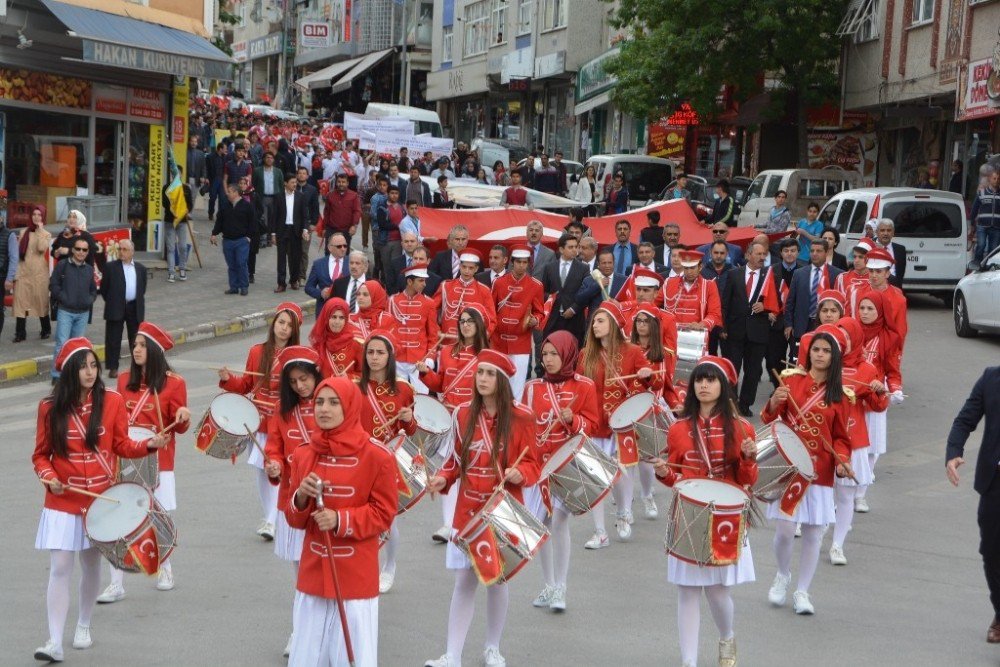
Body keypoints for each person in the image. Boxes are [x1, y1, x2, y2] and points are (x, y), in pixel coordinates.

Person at [31, 338, 166, 662]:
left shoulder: (113, 402)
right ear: (69, 372)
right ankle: (53, 641)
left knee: (91, 565)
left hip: (100, 501)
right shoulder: (49, 408)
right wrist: (49, 478)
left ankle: (84, 625)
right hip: (63, 502)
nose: (90, 372)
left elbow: (121, 444)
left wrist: (149, 444)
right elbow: (40, 456)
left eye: (93, 365)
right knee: (60, 567)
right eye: (83, 367)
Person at [424, 350, 540, 667]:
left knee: (496, 580)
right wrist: (442, 479)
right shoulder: (463, 413)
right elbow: (455, 462)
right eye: (480, 373)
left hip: (502, 511)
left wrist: (522, 473)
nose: (483, 379)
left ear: (502, 380)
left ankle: (492, 647)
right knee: (464, 582)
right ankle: (453, 654)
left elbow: (534, 463)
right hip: (468, 511)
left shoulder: (522, 416)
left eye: (489, 374)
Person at [652, 356, 757, 667]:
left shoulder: (742, 427)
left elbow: (748, 481)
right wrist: (662, 473)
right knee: (686, 591)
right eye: (699, 379)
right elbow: (676, 477)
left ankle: (726, 636)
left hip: (726, 517)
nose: (703, 385)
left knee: (716, 592)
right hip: (688, 514)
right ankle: (689, 661)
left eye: (711, 380)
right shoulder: (679, 428)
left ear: (723, 386)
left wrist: (750, 459)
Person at [286, 376, 397, 667]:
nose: (324, 409)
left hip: (354, 576)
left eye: (334, 402)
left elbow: (384, 514)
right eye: (320, 402)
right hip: (313, 573)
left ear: (349, 406)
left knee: (352, 657)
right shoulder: (302, 454)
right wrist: (301, 497)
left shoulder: (378, 456)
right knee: (307, 656)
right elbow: (294, 519)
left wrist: (340, 519)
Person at [97, 322, 191, 602]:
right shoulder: (125, 380)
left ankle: (165, 568)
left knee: (157, 515)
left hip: (159, 458)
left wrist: (183, 415)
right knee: (119, 516)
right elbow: (114, 420)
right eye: (134, 345)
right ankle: (116, 581)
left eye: (141, 345)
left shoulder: (175, 383)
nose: (135, 350)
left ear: (154, 350)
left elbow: (179, 426)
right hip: (126, 455)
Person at [762, 331, 852, 616]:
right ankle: (782, 574)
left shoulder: (841, 395)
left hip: (820, 471)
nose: (820, 354)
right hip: (790, 466)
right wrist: (775, 401)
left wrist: (842, 461)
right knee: (786, 530)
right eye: (816, 349)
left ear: (834, 356)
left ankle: (803, 591)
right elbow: (769, 419)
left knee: (814, 534)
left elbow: (841, 438)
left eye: (826, 350)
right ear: (809, 352)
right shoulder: (790, 381)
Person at [521, 331, 600, 612]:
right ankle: (548, 584)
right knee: (540, 526)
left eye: (555, 354)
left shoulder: (585, 386)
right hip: (538, 466)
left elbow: (593, 424)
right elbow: (523, 425)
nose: (549, 360)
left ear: (568, 354)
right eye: (545, 354)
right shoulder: (531, 387)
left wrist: (575, 419)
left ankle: (562, 587)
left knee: (560, 522)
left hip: (568, 464)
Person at [577, 302, 660, 548]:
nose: (595, 325)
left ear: (613, 324)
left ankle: (623, 513)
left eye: (600, 321)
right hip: (595, 424)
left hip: (623, 424)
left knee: (622, 473)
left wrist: (647, 375)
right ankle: (600, 531)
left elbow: (651, 386)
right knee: (597, 478)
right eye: (594, 321)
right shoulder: (585, 355)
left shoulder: (632, 351)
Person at [218, 302, 302, 540]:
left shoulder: (297, 356)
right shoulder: (257, 352)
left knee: (276, 469)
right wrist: (227, 379)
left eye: (289, 325)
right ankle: (271, 517)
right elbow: (245, 386)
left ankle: (272, 521)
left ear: (295, 330)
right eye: (281, 322)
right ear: (274, 323)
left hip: (282, 420)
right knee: (261, 471)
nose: (284, 328)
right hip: (257, 422)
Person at [264, 344, 323, 654]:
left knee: (324, 571)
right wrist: (272, 465)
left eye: (305, 379)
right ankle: (299, 632)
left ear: (315, 375)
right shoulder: (282, 412)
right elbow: (274, 447)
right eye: (294, 382)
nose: (300, 385)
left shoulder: (330, 402)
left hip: (328, 499)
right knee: (301, 573)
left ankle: (324, 632)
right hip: (294, 498)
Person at [357, 330, 416, 593]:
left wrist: (408, 418)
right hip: (358, 458)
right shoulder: (352, 386)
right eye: (370, 352)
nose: (375, 357)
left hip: (387, 461)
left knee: (388, 517)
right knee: (361, 516)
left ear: (389, 356)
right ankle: (365, 566)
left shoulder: (404, 389)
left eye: (380, 352)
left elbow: (413, 431)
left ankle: (389, 567)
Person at [945, 365, 1000, 643]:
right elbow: (965, 420)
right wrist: (954, 453)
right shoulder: (992, 378)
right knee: (992, 553)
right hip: (995, 484)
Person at [828, 318, 888, 566]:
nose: (842, 341)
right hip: (823, 440)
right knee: (821, 493)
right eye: (837, 336)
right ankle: (816, 528)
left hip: (853, 440)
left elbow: (878, 405)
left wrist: (878, 390)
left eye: (846, 336)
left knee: (845, 496)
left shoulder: (866, 369)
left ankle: (837, 544)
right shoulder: (823, 365)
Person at [855, 290, 904, 512]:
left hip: (876, 395)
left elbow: (893, 370)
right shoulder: (850, 331)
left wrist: (894, 389)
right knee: (852, 444)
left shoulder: (890, 337)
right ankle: (845, 491)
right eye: (862, 308)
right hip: (852, 394)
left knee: (872, 447)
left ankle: (860, 494)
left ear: (881, 311)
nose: (864, 313)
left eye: (870, 309)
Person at [719, 240, 770, 416]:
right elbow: (725, 303)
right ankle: (731, 404)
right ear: (748, 255)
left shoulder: (769, 276)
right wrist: (723, 327)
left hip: (758, 332)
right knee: (732, 369)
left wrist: (766, 307)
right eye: (759, 254)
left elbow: (776, 302)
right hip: (735, 330)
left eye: (764, 254)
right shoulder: (734, 274)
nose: (762, 257)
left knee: (753, 370)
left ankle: (745, 404)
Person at [490, 246, 543, 398]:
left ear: (528, 264)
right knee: (497, 382)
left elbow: (540, 312)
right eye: (518, 262)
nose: (521, 265)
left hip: (521, 342)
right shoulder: (499, 283)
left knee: (517, 385)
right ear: (512, 262)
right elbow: (490, 310)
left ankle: (514, 418)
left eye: (525, 262)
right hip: (498, 341)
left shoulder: (535, 286)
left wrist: (535, 320)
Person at [783, 239, 843, 360]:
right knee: (797, 359)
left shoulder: (837, 274)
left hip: (825, 324)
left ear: (826, 253)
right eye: (812, 251)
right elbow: (790, 302)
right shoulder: (799, 273)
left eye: (819, 251)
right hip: (801, 326)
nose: (814, 254)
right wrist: (788, 324)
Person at [386, 262, 440, 392]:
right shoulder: (393, 301)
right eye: (421, 280)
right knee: (396, 396)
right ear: (410, 281)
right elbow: (386, 331)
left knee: (422, 398)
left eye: (424, 280)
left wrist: (429, 358)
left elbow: (433, 335)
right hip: (397, 359)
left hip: (419, 359)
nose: (424, 284)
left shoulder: (429, 303)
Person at [49, 237, 97, 381]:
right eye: (78, 249)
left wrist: (89, 300)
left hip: (82, 313)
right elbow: (53, 285)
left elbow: (93, 290)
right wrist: (63, 297)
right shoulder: (62, 265)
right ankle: (57, 375)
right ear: (72, 250)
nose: (81, 252)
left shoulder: (89, 269)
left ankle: (73, 375)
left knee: (77, 347)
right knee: (61, 344)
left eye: (85, 250)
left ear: (88, 252)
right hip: (65, 311)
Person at [100, 239, 146, 379]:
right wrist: (114, 300)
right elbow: (104, 289)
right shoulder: (110, 267)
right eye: (120, 249)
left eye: (125, 249)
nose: (121, 252)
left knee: (135, 338)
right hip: (116, 305)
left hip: (134, 306)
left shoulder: (140, 269)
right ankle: (113, 367)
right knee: (113, 338)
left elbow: (142, 289)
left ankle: (137, 367)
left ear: (132, 252)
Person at [761, 238, 803, 386]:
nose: (789, 254)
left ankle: (792, 386)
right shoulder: (770, 270)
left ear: (798, 252)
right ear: (780, 253)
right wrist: (768, 311)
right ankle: (779, 385)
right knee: (773, 358)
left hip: (797, 322)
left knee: (795, 358)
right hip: (776, 321)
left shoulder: (805, 269)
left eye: (793, 250)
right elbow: (762, 295)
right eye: (786, 251)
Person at [433, 250, 497, 338]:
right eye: (464, 267)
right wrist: (436, 330)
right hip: (446, 339)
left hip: (471, 343)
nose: (467, 271)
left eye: (471, 268)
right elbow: (431, 310)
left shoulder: (484, 290)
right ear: (459, 266)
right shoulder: (446, 286)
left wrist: (484, 336)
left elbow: (491, 319)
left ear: (476, 269)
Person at [540, 234, 588, 345]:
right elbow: (542, 291)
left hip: (574, 320)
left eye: (576, 247)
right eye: (570, 247)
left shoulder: (583, 268)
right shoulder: (549, 267)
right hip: (553, 319)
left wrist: (573, 309)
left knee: (573, 352)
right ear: (561, 249)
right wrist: (552, 298)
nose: (574, 250)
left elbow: (586, 293)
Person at [13, 207, 52, 342]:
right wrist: (15, 274)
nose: (36, 217)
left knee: (41, 301)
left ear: (43, 217)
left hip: (39, 274)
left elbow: (41, 248)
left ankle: (46, 330)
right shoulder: (23, 232)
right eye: (34, 214)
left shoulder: (46, 234)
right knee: (20, 303)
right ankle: (20, 333)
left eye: (39, 215)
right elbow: (18, 254)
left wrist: (40, 230)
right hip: (23, 272)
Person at [211, 183, 255, 296]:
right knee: (231, 265)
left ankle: (244, 286)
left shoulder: (247, 206)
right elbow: (219, 221)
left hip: (242, 241)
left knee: (241, 263)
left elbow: (253, 223)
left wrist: (248, 237)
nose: (227, 193)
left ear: (236, 193)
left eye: (229, 191)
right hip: (227, 241)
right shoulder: (225, 206)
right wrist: (214, 234)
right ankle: (234, 287)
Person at [271, 173, 309, 293]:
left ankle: (294, 280)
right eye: (292, 182)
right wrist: (273, 234)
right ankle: (281, 283)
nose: (294, 184)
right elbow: (274, 216)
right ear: (285, 183)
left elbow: (304, 215)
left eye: (295, 182)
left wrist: (305, 230)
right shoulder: (278, 197)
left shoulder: (300, 196)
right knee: (281, 257)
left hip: (295, 230)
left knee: (295, 257)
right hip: (282, 230)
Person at [311, 297, 364, 379]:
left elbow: (364, 374)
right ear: (326, 318)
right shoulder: (318, 343)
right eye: (333, 317)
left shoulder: (355, 344)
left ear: (346, 320)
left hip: (347, 390)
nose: (337, 322)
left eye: (341, 318)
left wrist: (349, 377)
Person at [161, 170, 194, 283]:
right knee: (170, 248)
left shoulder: (186, 188)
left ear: (181, 175)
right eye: (173, 174)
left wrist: (184, 210)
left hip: (182, 221)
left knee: (183, 246)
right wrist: (174, 204)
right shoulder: (166, 188)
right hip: (170, 220)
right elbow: (164, 203)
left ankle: (182, 268)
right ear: (171, 175)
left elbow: (190, 204)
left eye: (178, 173)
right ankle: (171, 272)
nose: (176, 176)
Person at [304, 232, 349, 313]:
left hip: (345, 311)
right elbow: (308, 287)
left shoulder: (351, 263)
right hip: (324, 311)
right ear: (329, 247)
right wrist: (321, 293)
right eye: (339, 246)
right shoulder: (318, 264)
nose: (343, 249)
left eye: (345, 246)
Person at [321, 173, 362, 250]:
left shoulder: (354, 196)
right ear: (336, 183)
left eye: (343, 182)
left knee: (344, 254)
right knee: (329, 253)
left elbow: (357, 211)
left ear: (347, 183)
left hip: (346, 230)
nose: (341, 184)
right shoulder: (330, 195)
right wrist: (324, 228)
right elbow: (326, 212)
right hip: (331, 230)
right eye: (339, 182)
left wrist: (354, 225)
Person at [296, 166, 321, 284]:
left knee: (304, 251)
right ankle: (294, 275)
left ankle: (302, 276)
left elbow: (316, 208)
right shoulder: (292, 187)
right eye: (299, 173)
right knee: (293, 251)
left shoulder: (312, 190)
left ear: (307, 176)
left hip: (307, 224)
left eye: (303, 173)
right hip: (293, 224)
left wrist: (314, 223)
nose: (301, 175)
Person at [873, 218, 908, 288]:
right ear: (877, 232)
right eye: (882, 230)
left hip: (895, 290)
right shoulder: (870, 246)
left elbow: (900, 274)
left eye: (889, 230)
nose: (886, 233)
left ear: (893, 232)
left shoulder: (900, 249)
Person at [0, 205, 16, 339]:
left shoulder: (9, 235)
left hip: (1, 276)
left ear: (2, 218)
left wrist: (9, 278)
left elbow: (14, 258)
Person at [206, 143, 229, 220]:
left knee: (222, 199)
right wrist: (207, 178)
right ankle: (210, 213)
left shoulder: (225, 158)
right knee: (212, 197)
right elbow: (206, 168)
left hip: (222, 180)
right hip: (214, 180)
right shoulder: (210, 157)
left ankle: (220, 215)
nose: (226, 150)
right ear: (220, 149)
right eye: (225, 148)